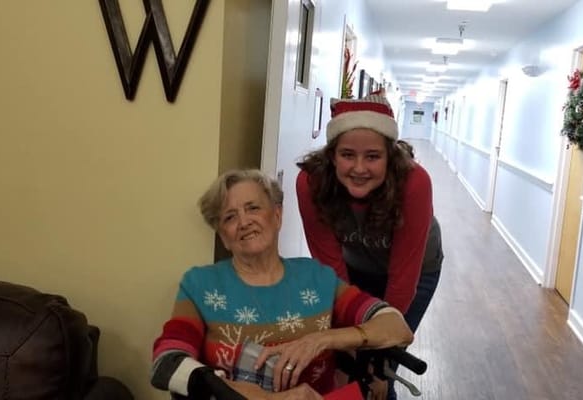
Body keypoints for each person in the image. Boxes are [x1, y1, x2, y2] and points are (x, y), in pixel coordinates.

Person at [150, 169, 414, 400]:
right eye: (229, 217)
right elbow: (167, 362)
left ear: (277, 216)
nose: (244, 222)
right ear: (224, 237)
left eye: (253, 208)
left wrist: (323, 339)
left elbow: (397, 327)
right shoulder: (200, 284)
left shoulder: (316, 277)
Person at [296, 91, 443, 399]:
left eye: (373, 156)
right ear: (332, 155)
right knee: (349, 364)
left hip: (415, 272)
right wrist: (348, 346)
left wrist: (377, 356)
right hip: (354, 268)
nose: (359, 168)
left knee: (379, 373)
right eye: (348, 154)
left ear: (390, 157)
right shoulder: (311, 182)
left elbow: (403, 279)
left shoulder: (414, 183)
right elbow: (330, 268)